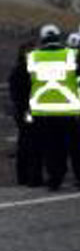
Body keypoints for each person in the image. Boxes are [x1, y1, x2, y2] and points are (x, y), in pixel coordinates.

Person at [27, 25, 80, 191]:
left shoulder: (33, 57)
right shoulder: (71, 55)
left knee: (52, 149)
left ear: (42, 39)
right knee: (78, 149)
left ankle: (55, 180)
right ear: (58, 38)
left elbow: (25, 83)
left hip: (43, 113)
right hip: (70, 112)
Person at [8, 39, 43, 187]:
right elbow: (18, 94)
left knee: (27, 142)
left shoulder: (25, 69)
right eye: (30, 51)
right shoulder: (22, 70)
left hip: (26, 110)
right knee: (29, 142)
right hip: (27, 111)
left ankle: (27, 176)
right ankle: (30, 177)